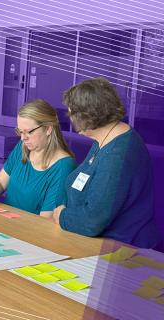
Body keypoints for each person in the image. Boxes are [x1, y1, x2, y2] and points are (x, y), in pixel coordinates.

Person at [53, 77, 161, 248]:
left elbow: (92, 221)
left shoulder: (117, 155)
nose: (71, 119)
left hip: (123, 249)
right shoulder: (104, 138)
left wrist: (62, 216)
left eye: (71, 113)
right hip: (95, 241)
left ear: (87, 116)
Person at [0, 99, 76, 217]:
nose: (22, 138)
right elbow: (0, 182)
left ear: (48, 129)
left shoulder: (63, 167)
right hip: (7, 223)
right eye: (20, 132)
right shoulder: (23, 147)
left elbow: (46, 221)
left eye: (28, 132)